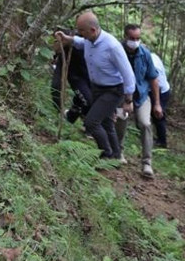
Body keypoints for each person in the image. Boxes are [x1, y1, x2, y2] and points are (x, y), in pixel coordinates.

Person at [55, 12, 135, 162]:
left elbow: (128, 74)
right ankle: (116, 156)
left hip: (112, 90)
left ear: (92, 30)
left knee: (91, 122)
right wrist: (68, 39)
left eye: (82, 31)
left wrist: (128, 100)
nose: (80, 33)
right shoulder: (90, 40)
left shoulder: (112, 46)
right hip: (97, 88)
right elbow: (81, 42)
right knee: (106, 122)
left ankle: (106, 154)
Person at [114, 24, 163, 178]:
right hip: (121, 94)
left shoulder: (145, 54)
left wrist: (157, 103)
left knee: (145, 123)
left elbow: (154, 79)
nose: (135, 41)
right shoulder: (117, 50)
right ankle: (118, 152)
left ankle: (147, 163)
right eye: (132, 38)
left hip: (141, 95)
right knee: (121, 119)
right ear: (125, 37)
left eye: (137, 38)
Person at [51, 29, 92, 124]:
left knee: (87, 101)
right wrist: (59, 106)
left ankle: (75, 116)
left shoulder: (81, 40)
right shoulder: (63, 54)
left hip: (91, 77)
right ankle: (78, 120)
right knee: (88, 101)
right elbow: (56, 83)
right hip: (76, 79)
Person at [150, 51, 171, 148]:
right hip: (163, 89)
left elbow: (156, 83)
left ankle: (162, 141)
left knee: (158, 115)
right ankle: (158, 137)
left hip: (161, 91)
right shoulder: (153, 56)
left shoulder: (152, 63)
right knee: (155, 115)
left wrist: (157, 103)